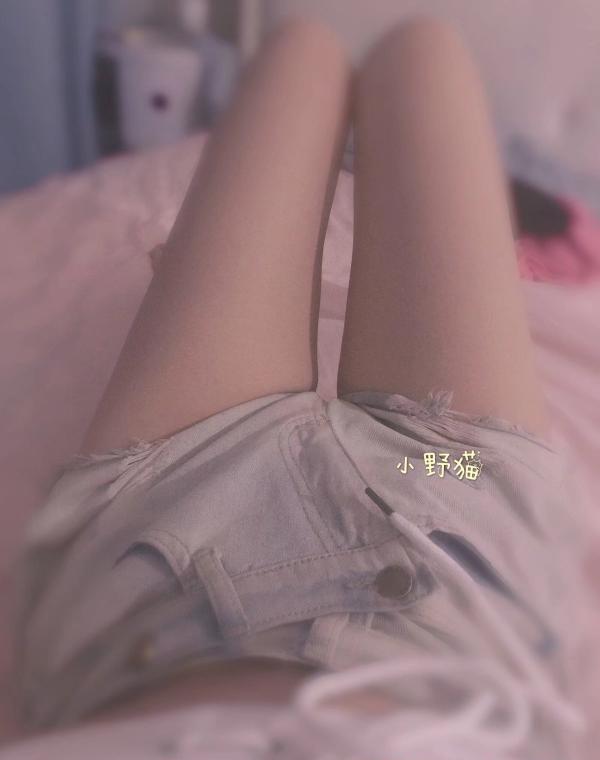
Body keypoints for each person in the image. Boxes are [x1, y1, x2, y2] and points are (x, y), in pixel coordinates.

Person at [11, 14, 585, 760]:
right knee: (419, 51)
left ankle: (338, 111)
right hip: (449, 499)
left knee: (301, 51)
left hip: (175, 506)